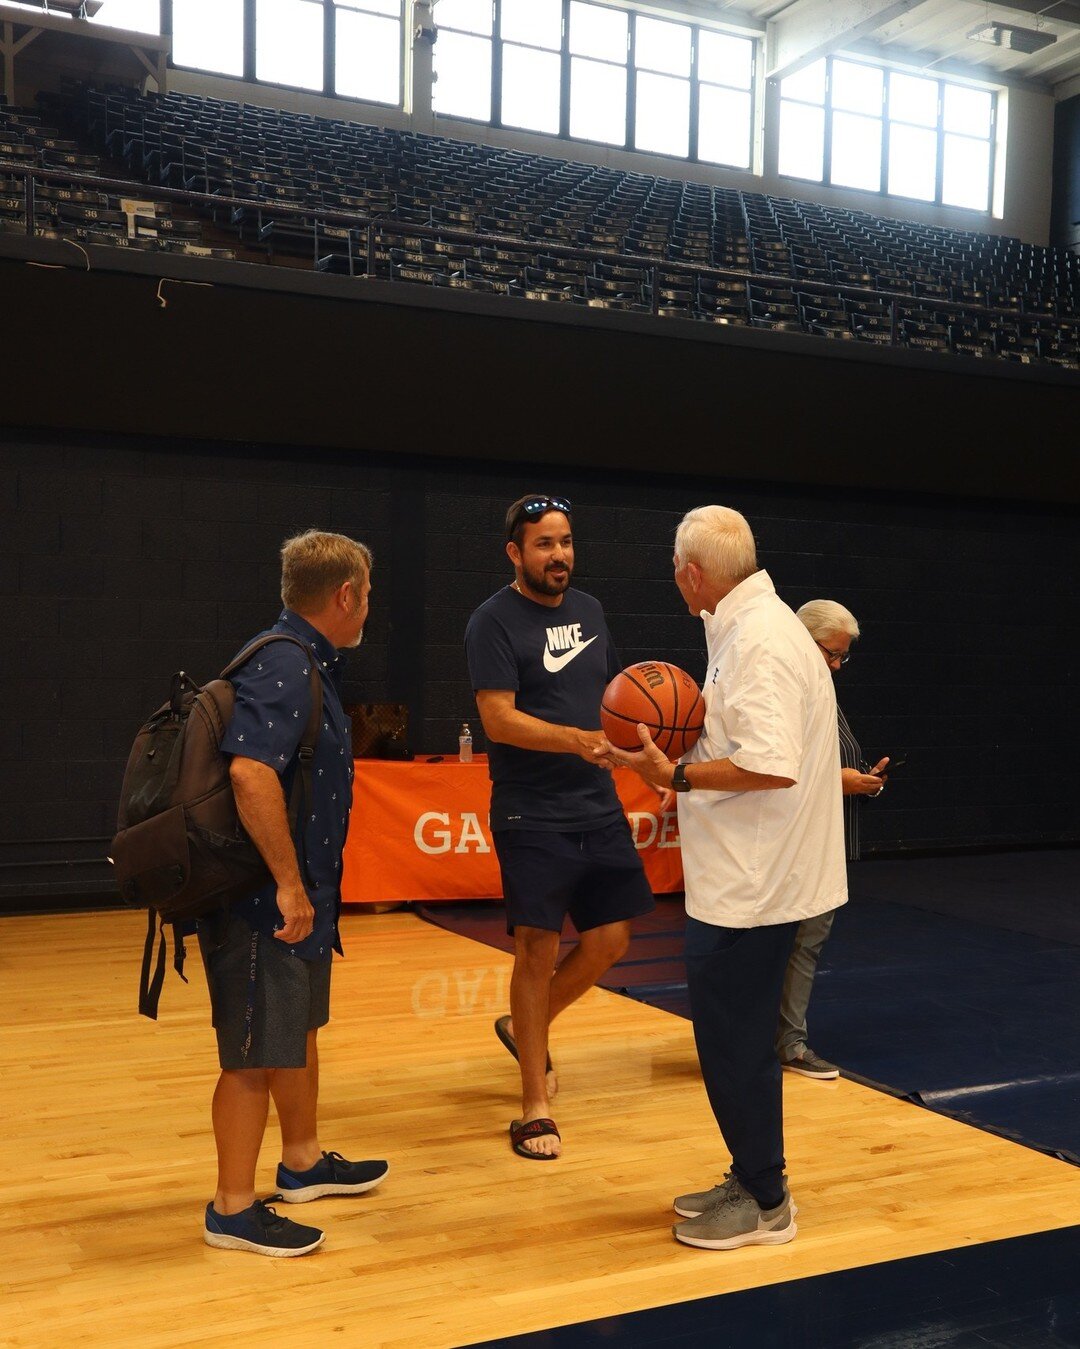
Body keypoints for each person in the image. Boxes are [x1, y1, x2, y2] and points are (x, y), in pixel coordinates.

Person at [611, 506, 846, 1250]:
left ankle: (767, 1201)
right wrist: (663, 760)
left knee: (734, 1041)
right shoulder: (745, 625)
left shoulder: (761, 641)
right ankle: (752, 1173)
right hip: (749, 877)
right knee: (730, 1037)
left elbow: (770, 764)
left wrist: (677, 771)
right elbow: (739, 741)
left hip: (758, 886)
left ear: (691, 572)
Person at [200, 529, 388, 1257]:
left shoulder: (304, 659)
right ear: (344, 595)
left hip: (300, 892)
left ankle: (302, 1164)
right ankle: (232, 1208)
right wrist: (286, 884)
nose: (368, 606)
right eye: (366, 594)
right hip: (262, 899)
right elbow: (252, 774)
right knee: (251, 1052)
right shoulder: (284, 662)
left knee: (295, 1032)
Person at [464, 494, 655, 1160]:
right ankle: (533, 1107)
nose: (560, 555)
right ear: (515, 552)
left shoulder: (592, 611)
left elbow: (615, 701)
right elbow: (498, 719)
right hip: (530, 808)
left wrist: (643, 747)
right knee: (536, 949)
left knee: (610, 938)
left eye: (566, 541)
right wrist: (574, 740)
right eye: (544, 544)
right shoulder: (491, 621)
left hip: (595, 804)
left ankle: (527, 1026)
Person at [776, 600, 890, 1081]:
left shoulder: (819, 686)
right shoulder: (790, 687)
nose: (838, 664)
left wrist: (861, 780)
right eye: (832, 653)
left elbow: (824, 762)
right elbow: (776, 767)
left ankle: (782, 1038)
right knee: (796, 941)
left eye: (844, 656)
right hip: (798, 841)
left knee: (805, 940)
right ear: (804, 639)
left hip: (821, 837)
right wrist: (839, 781)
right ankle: (788, 1043)